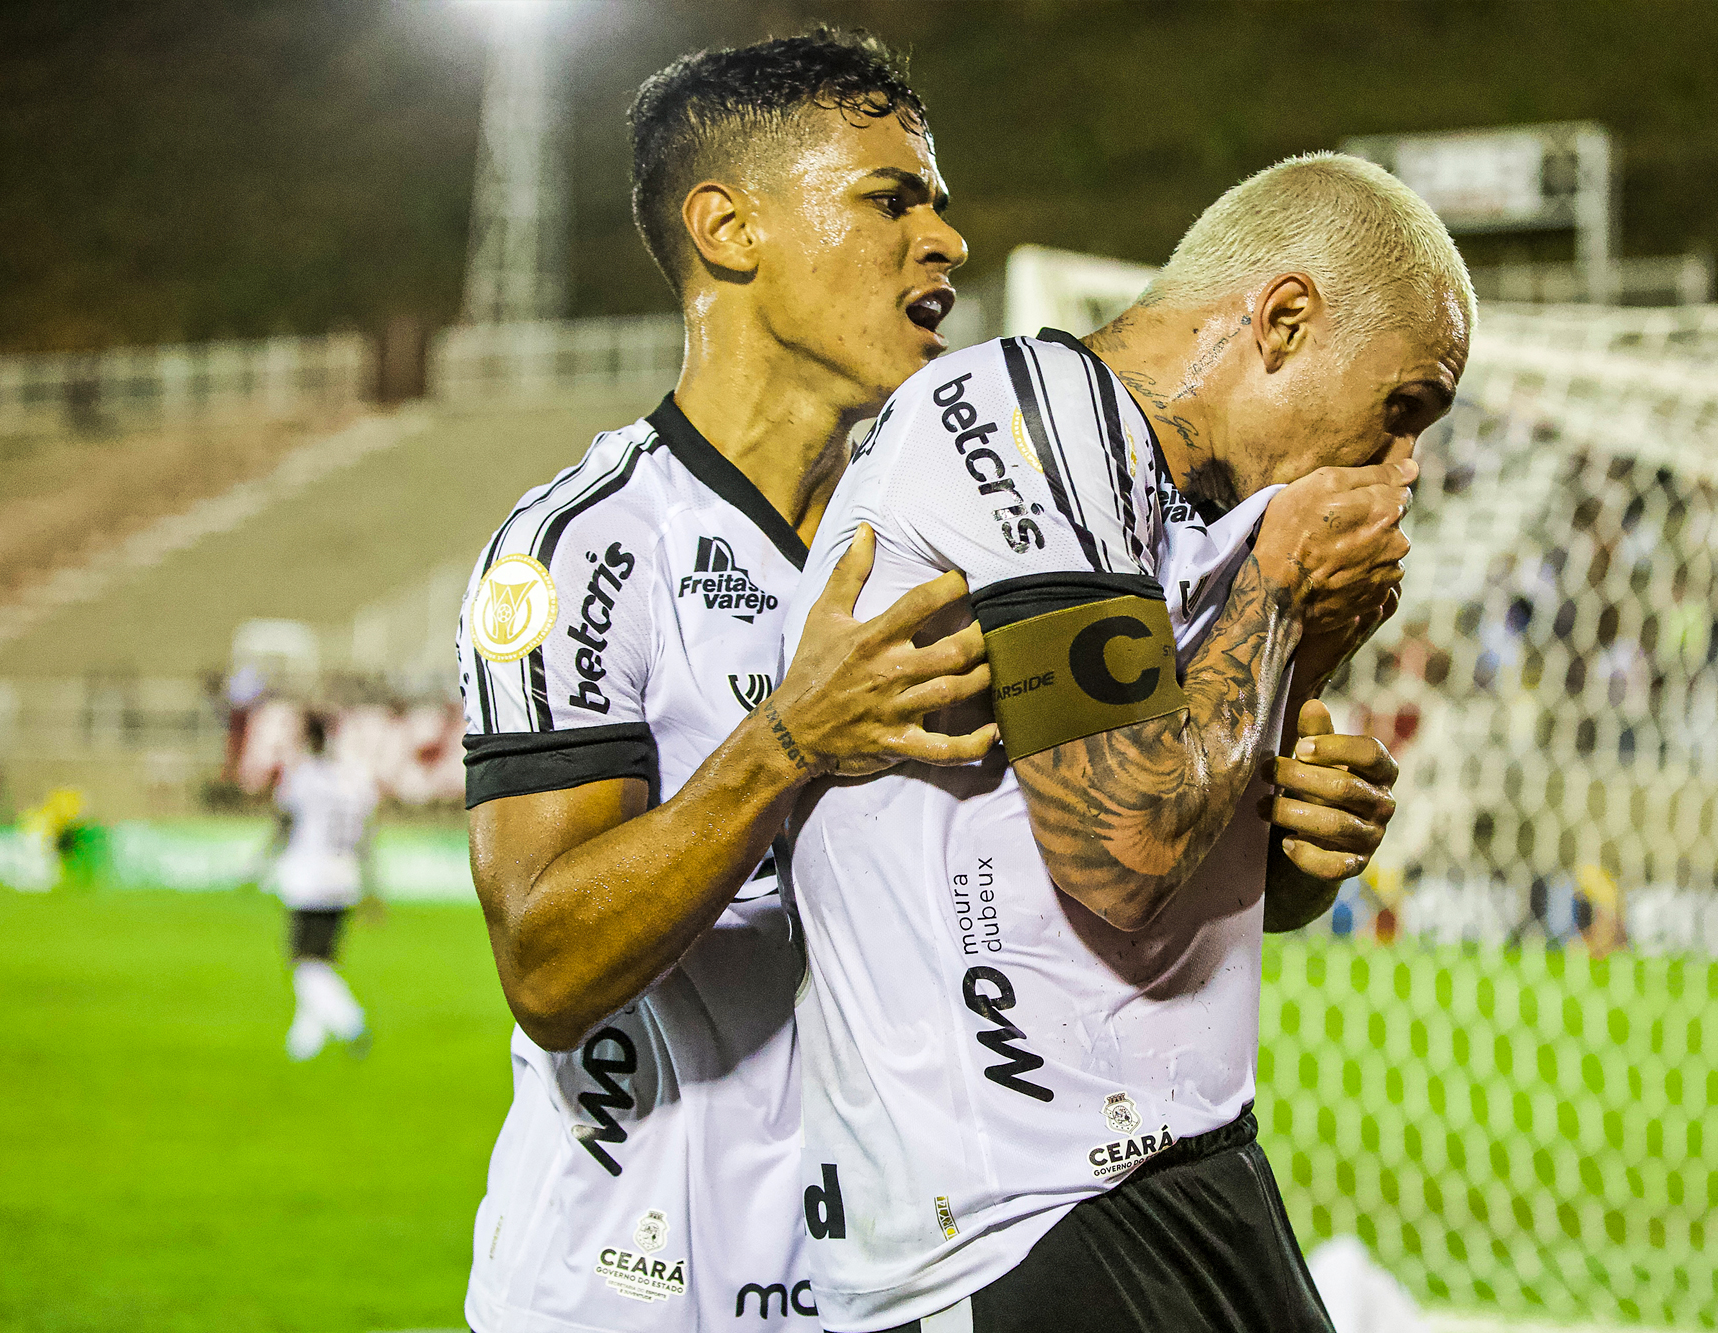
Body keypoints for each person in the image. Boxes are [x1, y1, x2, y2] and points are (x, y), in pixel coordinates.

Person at [781, 151, 1473, 1331]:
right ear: (1283, 319)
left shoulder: (1183, 513)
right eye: (1400, 410)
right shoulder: (1018, 417)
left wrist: (1293, 836)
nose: (1401, 465)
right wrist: (1280, 590)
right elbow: (1124, 852)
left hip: (1183, 1165)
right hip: (1008, 1219)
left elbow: (1199, 877)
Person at [454, 31, 993, 1332]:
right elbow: (548, 963)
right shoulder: (581, 549)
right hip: (629, 1291)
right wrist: (791, 740)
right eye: (891, 197)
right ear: (728, 228)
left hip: (892, 1288)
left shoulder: (952, 542)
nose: (949, 241)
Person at [266, 711, 380, 1060]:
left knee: (306, 964)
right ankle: (304, 1044)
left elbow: (284, 824)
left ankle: (351, 1024)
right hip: (344, 878)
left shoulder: (302, 776)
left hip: (309, 878)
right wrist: (373, 887)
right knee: (323, 960)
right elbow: (366, 837)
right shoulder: (355, 778)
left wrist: (261, 861)